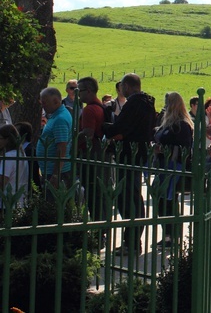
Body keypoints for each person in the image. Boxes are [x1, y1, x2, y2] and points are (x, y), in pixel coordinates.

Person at [102, 73, 157, 254]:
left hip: (129, 153)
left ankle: (131, 242)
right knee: (133, 197)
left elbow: (122, 127)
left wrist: (105, 127)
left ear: (127, 86)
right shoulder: (148, 103)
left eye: (122, 86)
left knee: (126, 197)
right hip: (138, 152)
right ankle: (132, 240)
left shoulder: (134, 103)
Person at [153, 92, 193, 248]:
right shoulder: (169, 123)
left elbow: (183, 148)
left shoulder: (181, 125)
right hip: (164, 166)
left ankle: (172, 235)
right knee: (163, 200)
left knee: (167, 201)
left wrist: (163, 150)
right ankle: (169, 234)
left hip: (173, 166)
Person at [77, 77, 108, 222]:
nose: (78, 95)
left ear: (88, 91)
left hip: (89, 155)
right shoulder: (100, 106)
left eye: (80, 91)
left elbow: (88, 133)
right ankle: (103, 225)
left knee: (92, 192)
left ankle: (97, 229)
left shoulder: (89, 109)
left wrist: (74, 140)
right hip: (100, 153)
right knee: (100, 192)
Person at [36, 87, 73, 195]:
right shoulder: (56, 116)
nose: (42, 106)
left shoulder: (60, 119)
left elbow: (61, 147)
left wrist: (56, 174)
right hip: (51, 169)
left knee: (54, 204)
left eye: (45, 103)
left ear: (56, 101)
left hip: (56, 172)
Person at [0, 124, 30, 212]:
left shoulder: (9, 157)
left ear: (7, 139)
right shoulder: (21, 154)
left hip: (6, 203)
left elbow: (2, 182)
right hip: (19, 201)